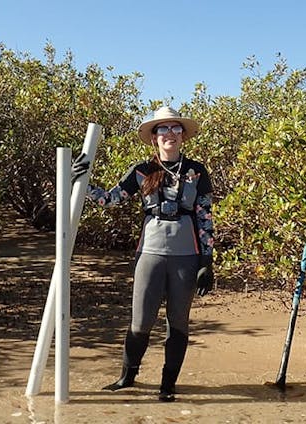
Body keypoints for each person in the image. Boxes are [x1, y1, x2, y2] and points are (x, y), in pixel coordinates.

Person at [71, 106, 215, 402]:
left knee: (178, 322)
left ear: (183, 135)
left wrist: (207, 261)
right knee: (140, 322)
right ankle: (127, 377)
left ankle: (168, 385)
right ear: (154, 137)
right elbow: (110, 199)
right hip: (149, 253)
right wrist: (83, 182)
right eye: (163, 129)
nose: (170, 134)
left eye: (175, 128)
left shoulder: (198, 171)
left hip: (186, 256)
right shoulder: (141, 171)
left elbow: (205, 217)